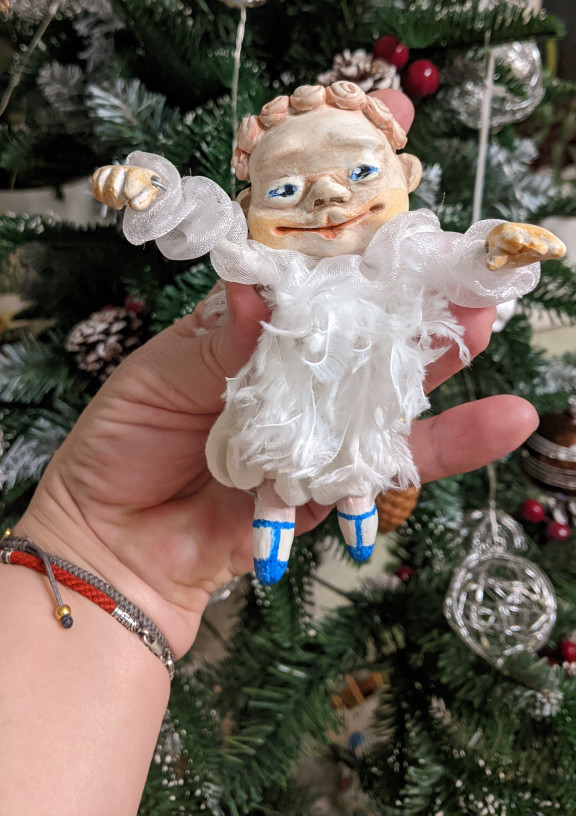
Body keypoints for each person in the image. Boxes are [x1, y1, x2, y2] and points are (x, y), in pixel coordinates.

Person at [0, 90, 542, 815]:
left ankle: (357, 500)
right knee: (275, 451)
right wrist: (158, 195)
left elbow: (457, 264)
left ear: (406, 176)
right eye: (285, 189)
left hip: (367, 390)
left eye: (358, 175)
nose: (326, 199)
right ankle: (274, 517)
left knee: (367, 443)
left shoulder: (406, 256)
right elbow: (210, 228)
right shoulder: (272, 270)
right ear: (252, 200)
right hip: (283, 389)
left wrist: (495, 254)